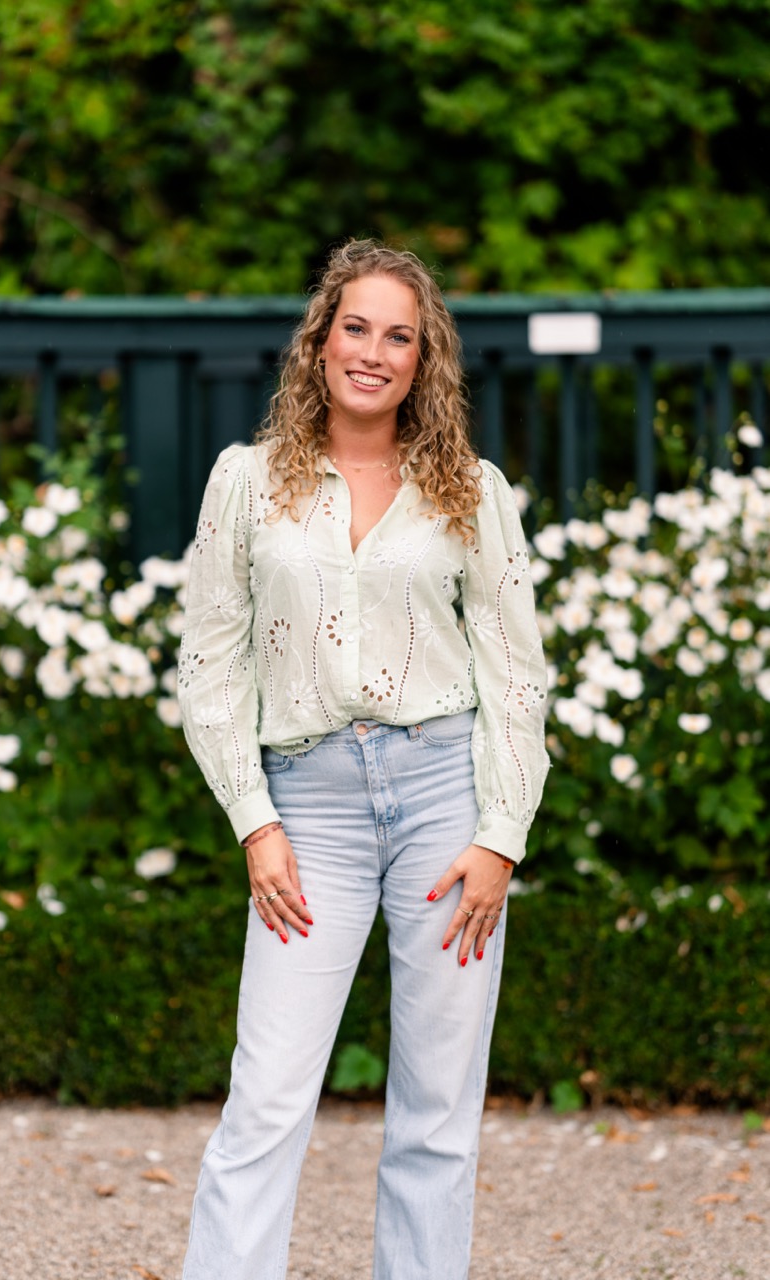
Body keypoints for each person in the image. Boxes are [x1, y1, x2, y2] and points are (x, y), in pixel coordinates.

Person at [177, 238, 549, 1280]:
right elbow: (210, 668)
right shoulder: (246, 482)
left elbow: (516, 675)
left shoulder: (470, 491)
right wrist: (256, 822)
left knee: (436, 1109)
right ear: (320, 341)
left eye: (399, 336)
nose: (373, 352)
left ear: (423, 360)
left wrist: (499, 836)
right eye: (355, 328)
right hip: (308, 814)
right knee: (265, 1098)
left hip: (445, 804)